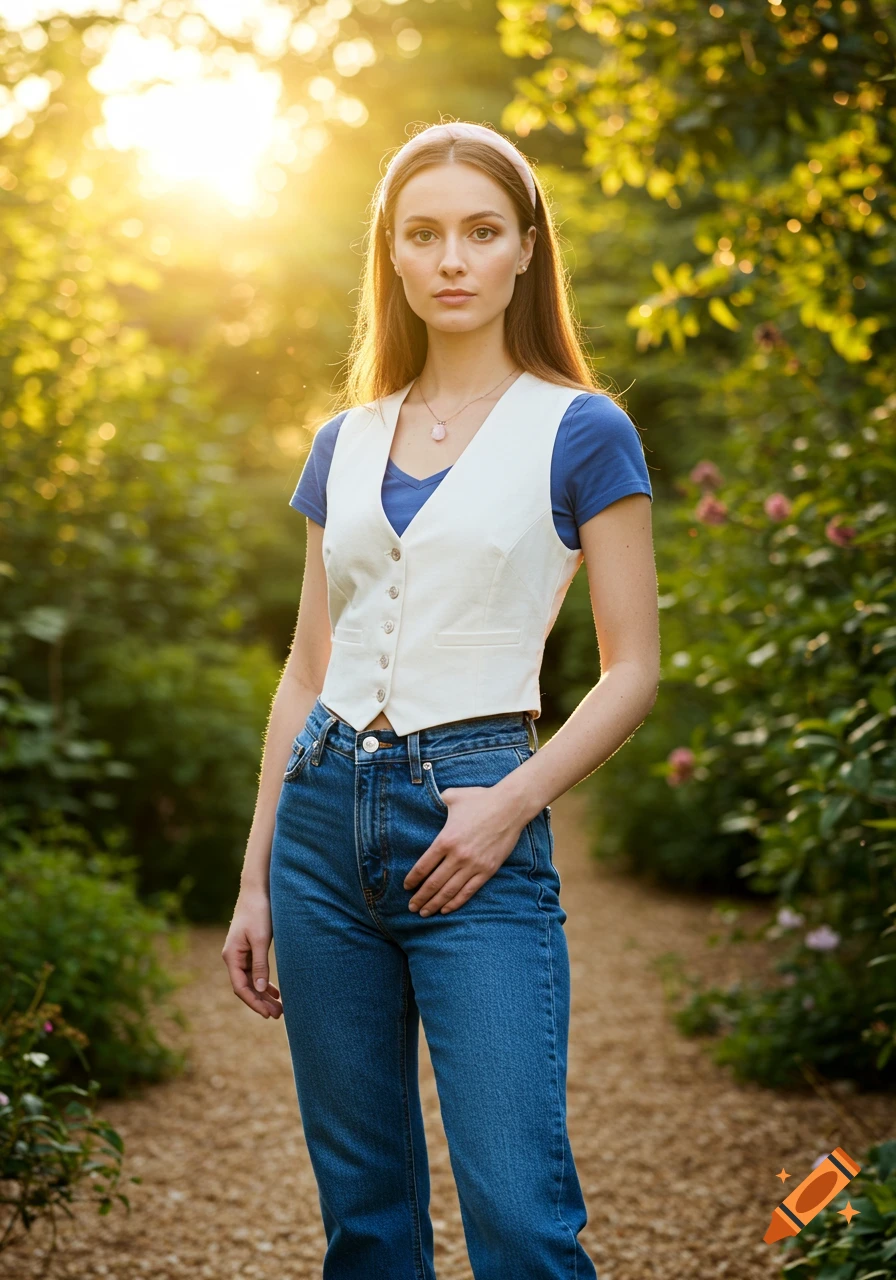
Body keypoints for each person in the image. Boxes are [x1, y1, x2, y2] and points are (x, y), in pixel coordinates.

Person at [222, 120, 660, 1279]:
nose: (451, 258)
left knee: (519, 1216)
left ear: (525, 248)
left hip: (475, 810)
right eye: (423, 234)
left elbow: (631, 668)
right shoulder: (343, 440)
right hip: (321, 825)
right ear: (392, 254)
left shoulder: (581, 428)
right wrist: (256, 877)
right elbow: (308, 667)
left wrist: (508, 803)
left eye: (479, 231)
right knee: (365, 1218)